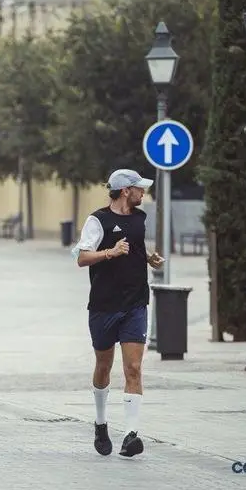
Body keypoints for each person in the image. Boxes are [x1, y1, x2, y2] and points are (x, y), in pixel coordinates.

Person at [72, 169, 165, 458]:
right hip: (103, 305)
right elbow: (82, 258)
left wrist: (149, 258)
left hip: (136, 303)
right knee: (103, 366)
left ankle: (130, 435)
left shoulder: (140, 219)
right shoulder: (98, 220)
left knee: (133, 368)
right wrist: (109, 252)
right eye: (139, 189)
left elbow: (135, 247)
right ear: (125, 191)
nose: (143, 193)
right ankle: (101, 424)